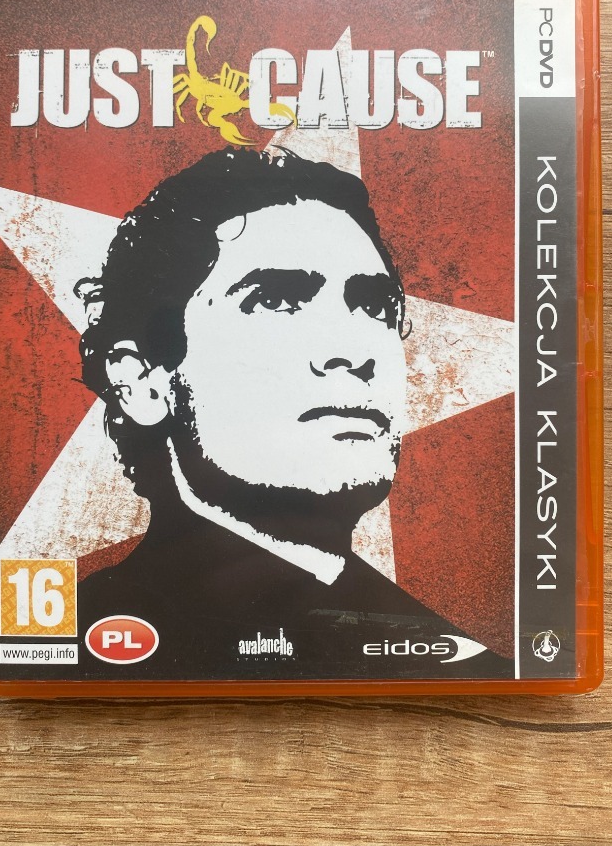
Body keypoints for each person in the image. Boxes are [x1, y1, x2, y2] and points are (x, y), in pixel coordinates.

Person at [70, 147, 510, 680]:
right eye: (276, 300)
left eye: (374, 306)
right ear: (141, 382)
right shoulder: (59, 648)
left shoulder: (468, 666)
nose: (354, 350)